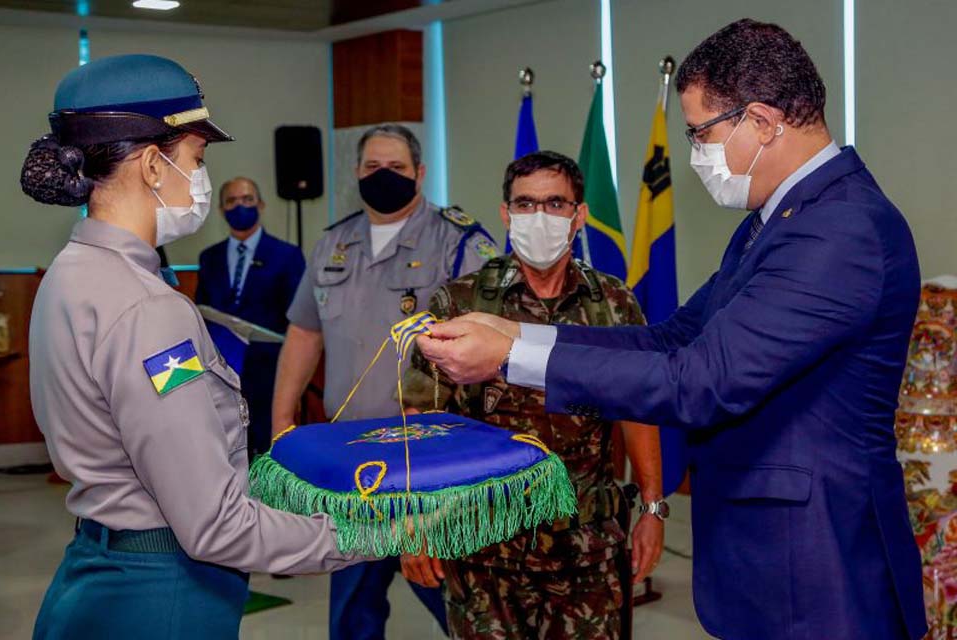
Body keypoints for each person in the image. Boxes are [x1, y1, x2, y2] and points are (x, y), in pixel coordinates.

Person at [417, 19, 927, 640]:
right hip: (777, 554)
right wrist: (517, 335)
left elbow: (701, 381)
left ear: (762, 122)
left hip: (818, 564)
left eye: (701, 133)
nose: (695, 156)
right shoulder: (776, 220)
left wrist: (508, 361)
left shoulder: (839, 228)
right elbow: (672, 338)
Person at [22, 54, 363, 639]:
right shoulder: (149, 309)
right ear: (155, 165)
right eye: (197, 159)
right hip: (165, 591)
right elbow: (215, 526)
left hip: (96, 571)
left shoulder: (69, 272)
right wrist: (367, 537)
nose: (201, 179)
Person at [398, 151, 663, 639]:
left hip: (587, 550)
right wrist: (417, 518)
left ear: (579, 214)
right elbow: (422, 418)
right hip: (482, 546)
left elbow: (639, 410)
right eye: (525, 204)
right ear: (505, 213)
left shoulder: (613, 303)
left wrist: (651, 508)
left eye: (555, 203)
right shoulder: (461, 302)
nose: (539, 216)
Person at [272, 123, 497, 639]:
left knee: (455, 599)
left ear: (420, 173)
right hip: (351, 460)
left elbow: (489, 341)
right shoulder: (334, 242)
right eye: (372, 167)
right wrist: (283, 419)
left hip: (429, 459)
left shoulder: (459, 242)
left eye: (396, 167)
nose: (383, 176)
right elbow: (305, 333)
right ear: (356, 173)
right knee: (352, 608)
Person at [196, 176, 305, 460]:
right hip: (222, 371)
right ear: (221, 210)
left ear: (261, 205)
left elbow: (300, 319)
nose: (240, 206)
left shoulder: (287, 255)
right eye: (231, 201)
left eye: (247, 200)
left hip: (270, 372)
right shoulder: (209, 257)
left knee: (270, 451)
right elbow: (201, 311)